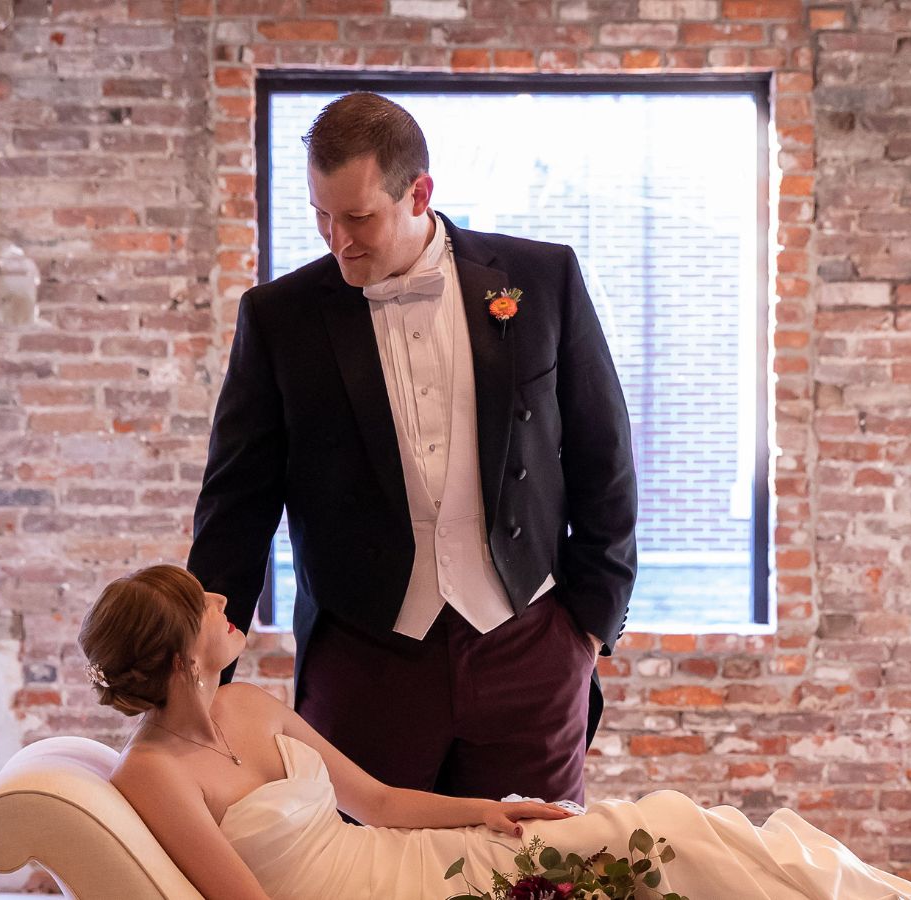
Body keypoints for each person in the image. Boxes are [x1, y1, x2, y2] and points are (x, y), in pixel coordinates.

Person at [186, 91, 638, 805]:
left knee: (535, 859)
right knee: (360, 860)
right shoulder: (279, 319)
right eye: (321, 215)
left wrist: (586, 629)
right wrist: (200, 684)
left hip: (529, 649)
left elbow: (603, 456)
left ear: (419, 193)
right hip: (363, 662)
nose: (337, 240)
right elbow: (236, 510)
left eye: (359, 217)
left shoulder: (542, 280)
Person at [79, 565, 911, 900]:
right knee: (642, 843)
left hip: (408, 858)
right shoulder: (152, 774)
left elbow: (378, 802)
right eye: (203, 605)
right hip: (384, 899)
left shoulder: (248, 706)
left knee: (656, 827)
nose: (222, 600)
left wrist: (485, 810)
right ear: (182, 656)